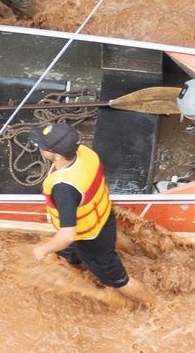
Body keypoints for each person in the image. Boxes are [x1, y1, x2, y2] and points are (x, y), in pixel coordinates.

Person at [28, 121, 142, 303]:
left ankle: (153, 307)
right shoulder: (84, 152)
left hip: (92, 238)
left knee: (118, 279)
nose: (39, 147)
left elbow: (67, 236)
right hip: (102, 217)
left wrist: (43, 249)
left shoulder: (64, 187)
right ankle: (80, 270)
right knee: (70, 256)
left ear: (56, 156)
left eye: (42, 146)